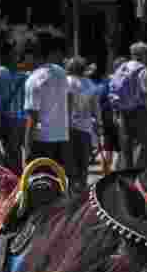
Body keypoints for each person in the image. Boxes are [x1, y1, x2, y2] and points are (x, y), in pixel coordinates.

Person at [23, 35, 70, 169]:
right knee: (60, 181)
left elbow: (32, 118)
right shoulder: (61, 72)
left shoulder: (34, 80)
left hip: (42, 140)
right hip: (62, 137)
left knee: (40, 184)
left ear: (32, 56)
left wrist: (27, 149)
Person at [109, 42, 147, 170]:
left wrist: (116, 112)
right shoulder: (142, 69)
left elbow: (113, 91)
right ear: (143, 55)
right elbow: (146, 94)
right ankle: (139, 175)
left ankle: (127, 174)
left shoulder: (122, 68)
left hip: (124, 112)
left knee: (126, 145)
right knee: (145, 145)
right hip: (140, 111)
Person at [65, 56, 99, 194]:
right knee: (83, 165)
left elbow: (66, 105)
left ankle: (72, 192)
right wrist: (99, 124)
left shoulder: (66, 82)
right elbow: (96, 108)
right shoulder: (90, 84)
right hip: (86, 128)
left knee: (70, 164)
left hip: (69, 128)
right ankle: (82, 193)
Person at [96, 57, 125, 175]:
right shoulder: (122, 81)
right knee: (120, 149)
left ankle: (105, 174)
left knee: (108, 148)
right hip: (119, 119)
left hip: (107, 119)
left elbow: (99, 100)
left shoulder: (105, 82)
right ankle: (116, 176)